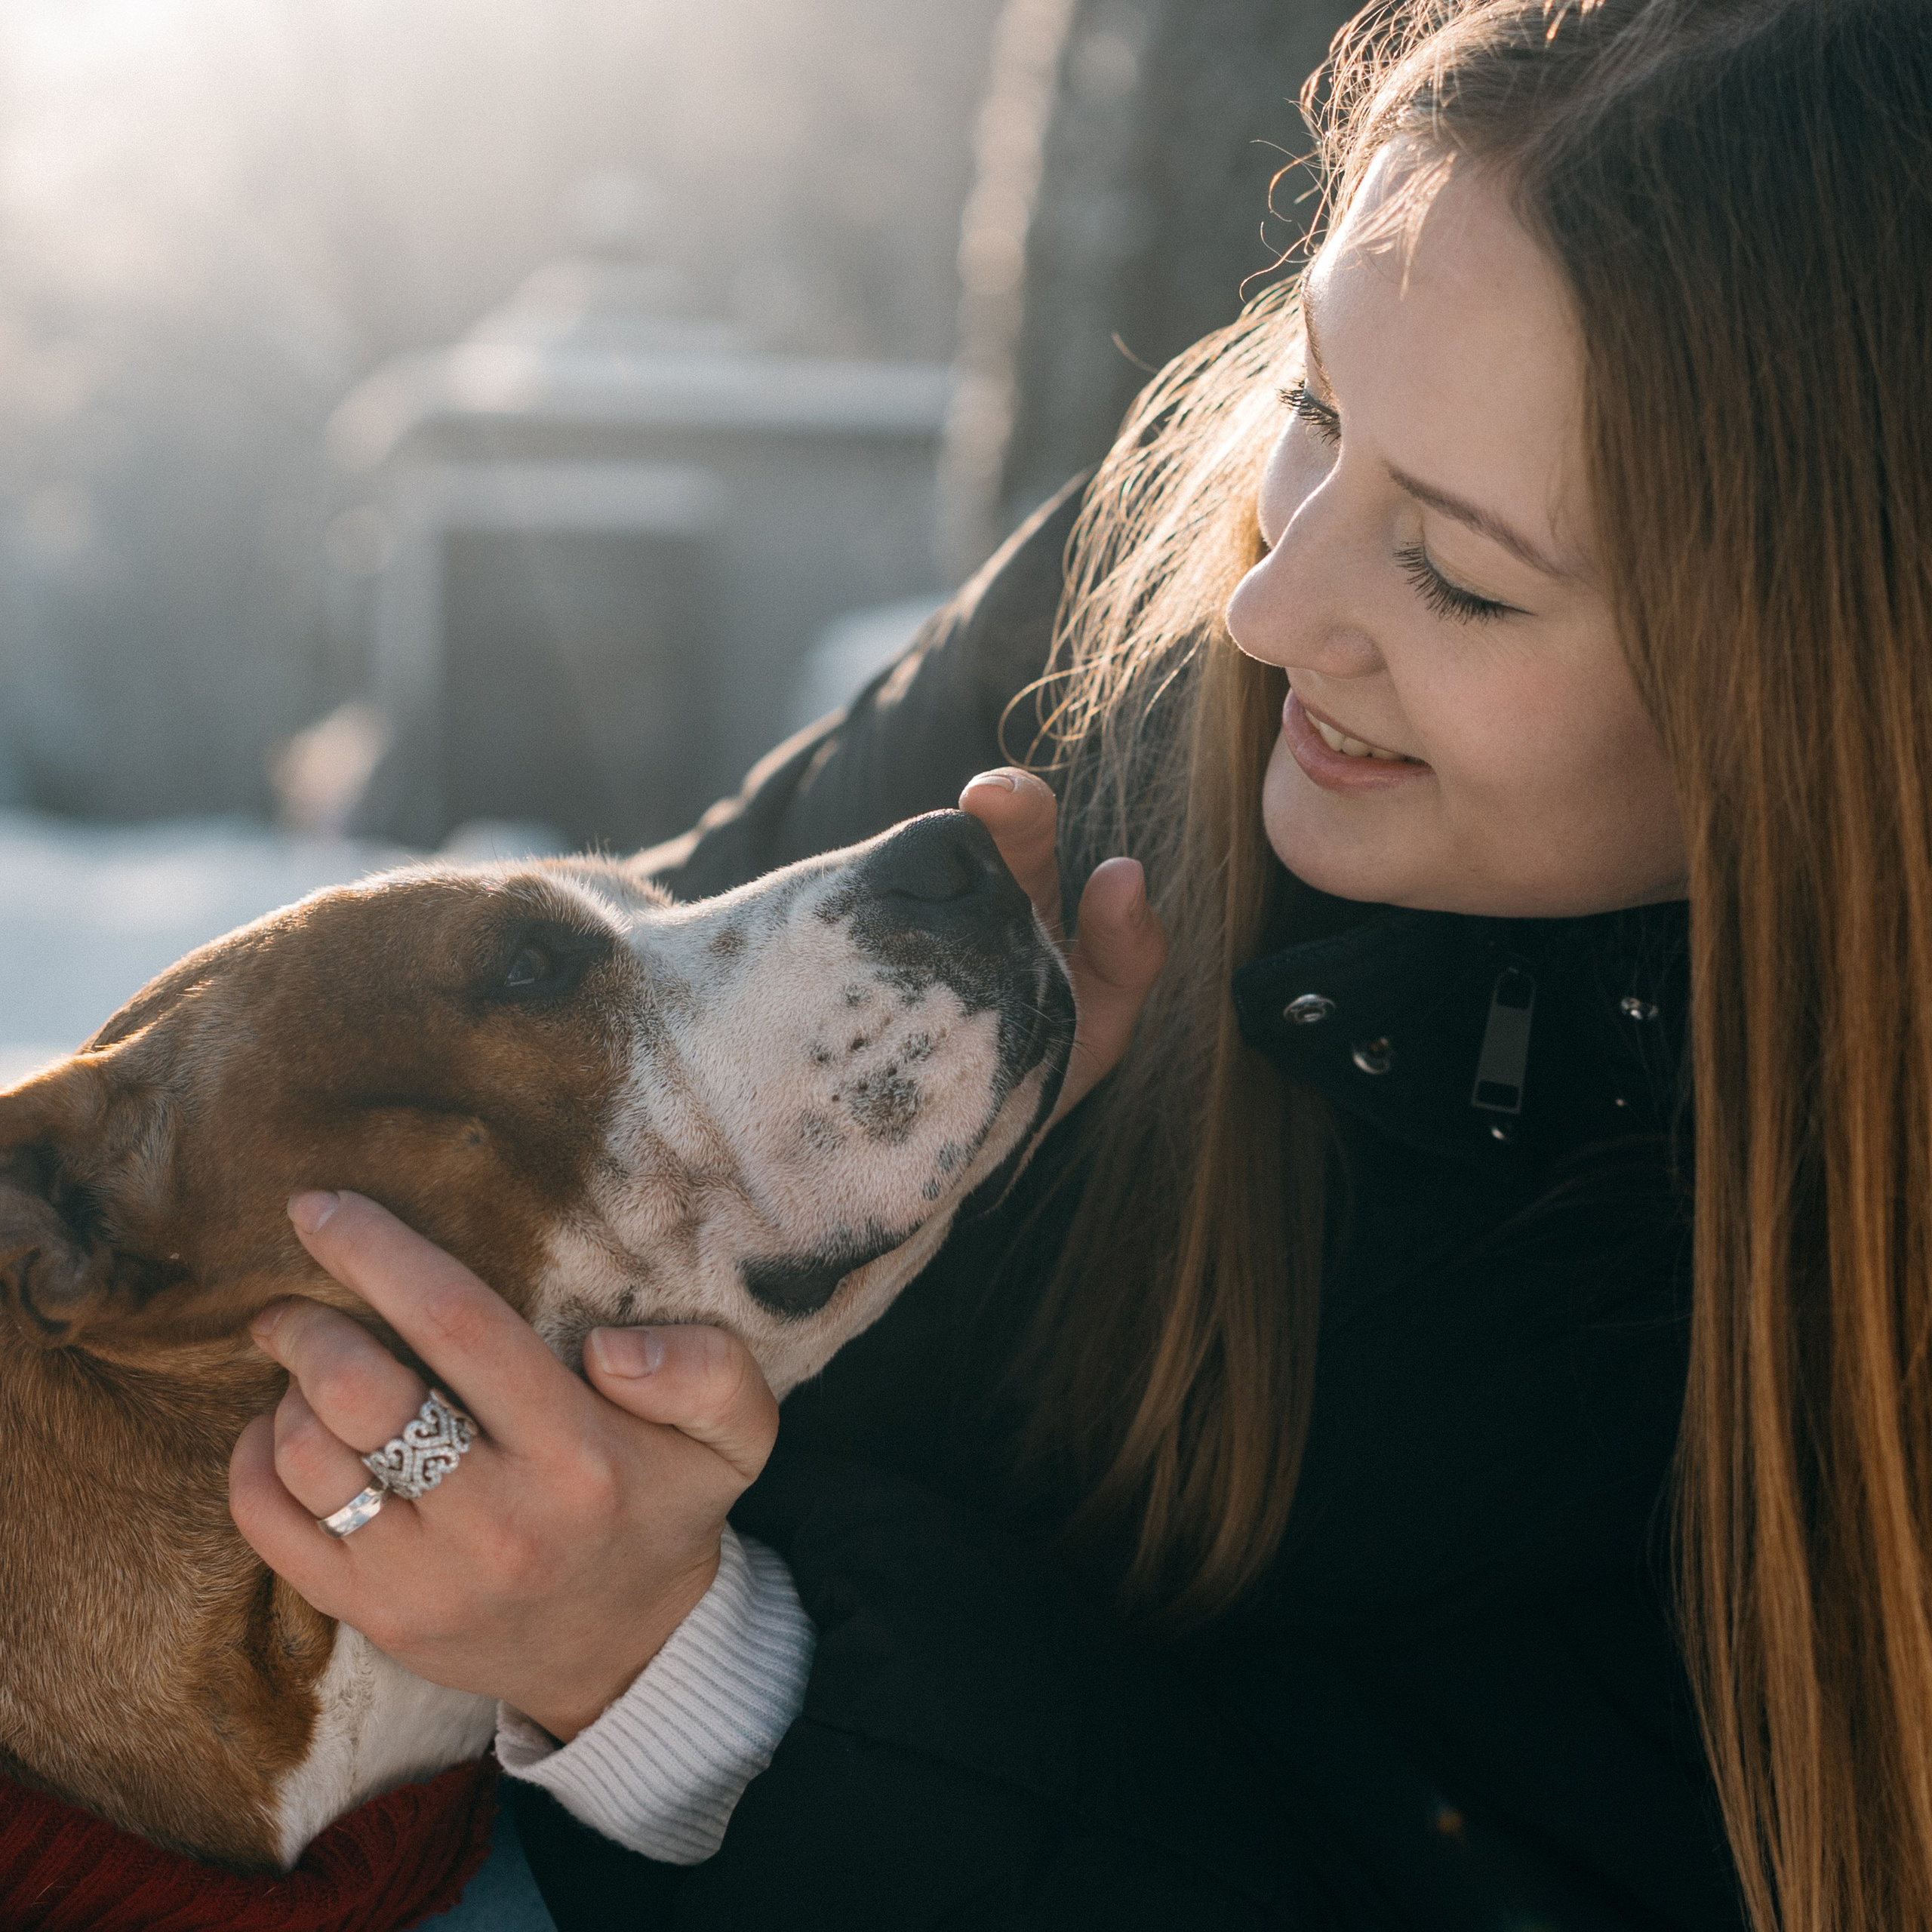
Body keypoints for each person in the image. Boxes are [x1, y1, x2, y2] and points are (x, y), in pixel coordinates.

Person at [226, 2, 1932, 1927]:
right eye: (1312, 409)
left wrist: (678, 1673)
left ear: (1831, 680)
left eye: (1458, 572)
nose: (1271, 600)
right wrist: (889, 1226)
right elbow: (482, 1079)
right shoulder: (1114, 654)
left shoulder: (1828, 1310)